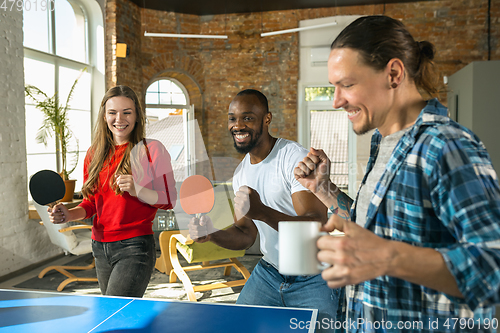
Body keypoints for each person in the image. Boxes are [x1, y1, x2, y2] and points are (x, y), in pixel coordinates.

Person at [294, 15, 500, 332]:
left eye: (347, 85)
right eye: (334, 87)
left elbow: (492, 268)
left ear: (393, 73)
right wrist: (323, 189)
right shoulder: (383, 142)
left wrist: (390, 257)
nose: (336, 101)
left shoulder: (446, 146)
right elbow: (374, 232)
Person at [189, 89, 342, 330]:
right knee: (236, 327)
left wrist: (261, 212)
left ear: (266, 119)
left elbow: (315, 224)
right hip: (269, 274)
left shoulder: (293, 158)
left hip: (313, 277)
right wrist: (212, 233)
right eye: (232, 118)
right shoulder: (241, 173)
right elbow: (245, 234)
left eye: (247, 117)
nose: (237, 125)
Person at [48, 85, 176, 297]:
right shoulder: (94, 153)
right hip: (99, 246)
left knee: (115, 317)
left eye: (127, 112)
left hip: (134, 247)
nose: (120, 119)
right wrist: (69, 214)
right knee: (114, 316)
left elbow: (169, 199)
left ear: (136, 116)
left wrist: (138, 190)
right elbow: (90, 204)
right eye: (112, 112)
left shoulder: (151, 149)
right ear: (104, 115)